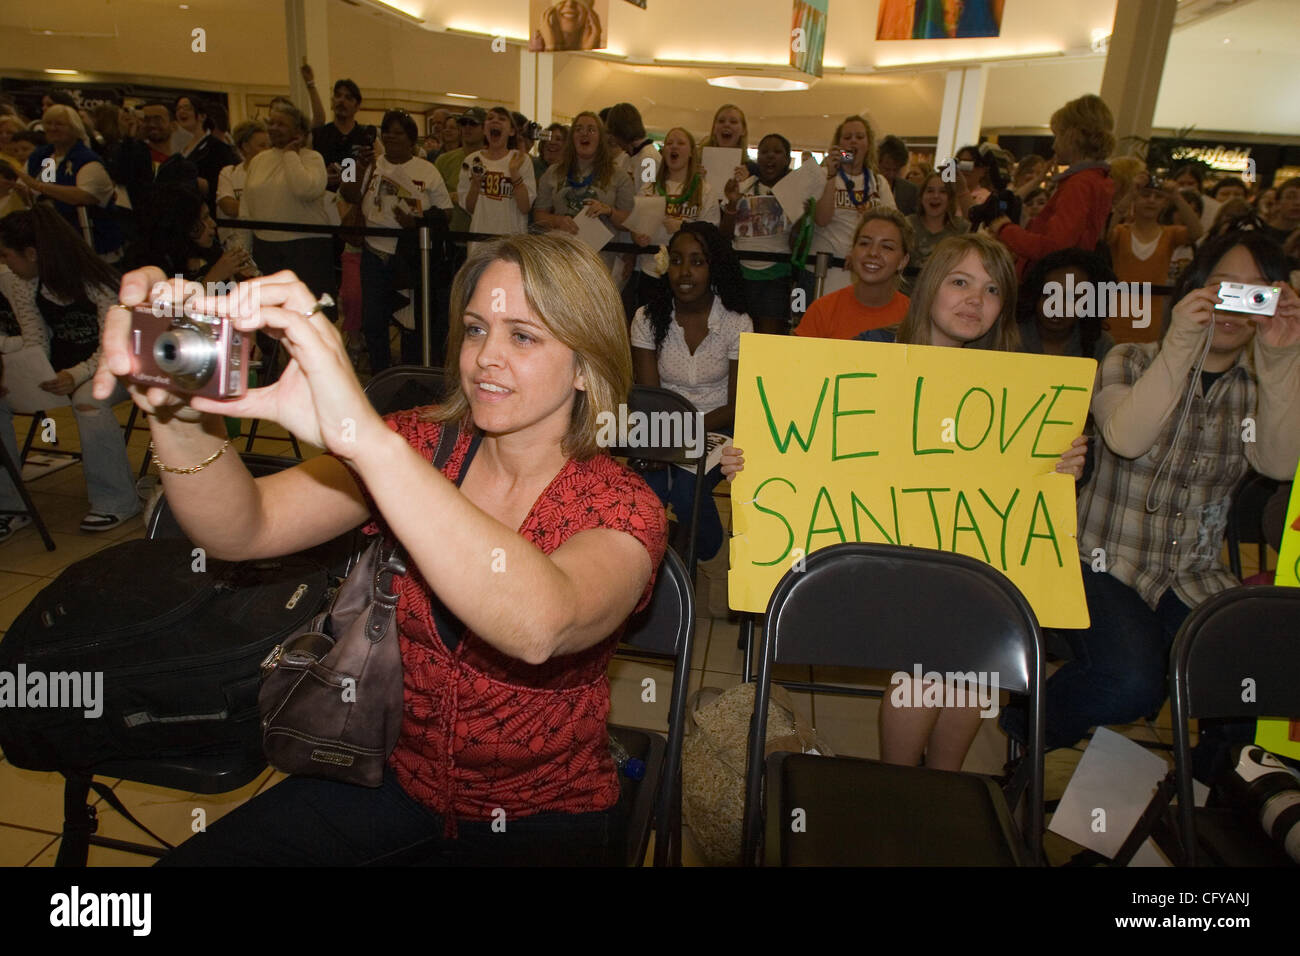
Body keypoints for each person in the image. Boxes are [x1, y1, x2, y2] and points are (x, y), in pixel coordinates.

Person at [92, 231, 667, 865]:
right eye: (475, 330)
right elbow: (244, 527)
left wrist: (365, 440)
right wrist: (175, 409)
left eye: (522, 336)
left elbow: (540, 625)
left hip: (544, 813)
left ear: (586, 366)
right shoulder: (422, 444)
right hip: (389, 778)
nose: (484, 359)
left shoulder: (622, 504)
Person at [724, 233, 1087, 770]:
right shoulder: (872, 352)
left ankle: (941, 789)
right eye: (959, 282)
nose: (974, 299)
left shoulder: (1019, 381)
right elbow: (809, 436)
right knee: (930, 664)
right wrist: (751, 459)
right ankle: (898, 785)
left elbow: (1016, 486)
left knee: (974, 671)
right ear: (929, 287)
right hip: (881, 561)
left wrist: (1059, 467)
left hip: (968, 564)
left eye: (991, 289)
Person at [999, 231, 1300, 776]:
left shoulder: (1261, 382)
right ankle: (1029, 723)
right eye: (1223, 287)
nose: (1234, 305)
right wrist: (1184, 345)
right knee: (1132, 681)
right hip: (1101, 560)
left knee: (1248, 673)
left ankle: (1207, 792)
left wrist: (1281, 360)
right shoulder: (1129, 359)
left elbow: (1278, 465)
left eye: (1256, 293)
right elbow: (1126, 438)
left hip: (1195, 573)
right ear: (1193, 289)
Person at [631, 222, 750, 615]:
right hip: (661, 424)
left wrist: (687, 432)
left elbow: (737, 403)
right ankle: (654, 584)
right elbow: (649, 396)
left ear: (713, 268)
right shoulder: (648, 318)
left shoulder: (736, 322)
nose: (685, 272)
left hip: (721, 424)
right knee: (647, 490)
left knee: (685, 489)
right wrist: (669, 437)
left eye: (697, 262)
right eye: (677, 261)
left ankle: (714, 566)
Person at [0, 205, 139, 538]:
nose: (4, 263)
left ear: (32, 253)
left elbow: (112, 344)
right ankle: (11, 505)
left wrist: (75, 375)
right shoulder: (23, 283)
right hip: (65, 368)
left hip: (120, 364)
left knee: (88, 400)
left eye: (6, 255)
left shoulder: (97, 280)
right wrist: (20, 374)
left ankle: (117, 501)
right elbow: (35, 339)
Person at [342, 109, 453, 373]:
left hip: (409, 256)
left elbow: (446, 212)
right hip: (372, 252)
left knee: (410, 322)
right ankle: (381, 374)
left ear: (411, 138)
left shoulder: (427, 169)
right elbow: (347, 193)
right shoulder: (368, 163)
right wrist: (358, 166)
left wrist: (417, 221)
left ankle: (407, 375)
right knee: (373, 321)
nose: (391, 137)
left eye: (398, 133)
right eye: (387, 132)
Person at [992, 94, 1116, 280]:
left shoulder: (1079, 184)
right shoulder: (1098, 180)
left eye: (1057, 136)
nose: (1054, 145)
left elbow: (1055, 247)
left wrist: (1004, 229)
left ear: (1072, 136)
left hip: (1053, 281)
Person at [237, 101, 333, 303]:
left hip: (306, 249)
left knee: (307, 311)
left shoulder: (312, 158)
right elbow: (246, 207)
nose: (273, 128)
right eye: (271, 123)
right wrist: (243, 251)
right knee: (270, 311)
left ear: (298, 130)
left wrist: (291, 154)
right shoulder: (259, 160)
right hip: (266, 248)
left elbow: (305, 190)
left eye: (281, 124)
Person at [804, 114, 896, 300]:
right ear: (838, 144)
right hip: (824, 268)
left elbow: (894, 226)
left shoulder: (879, 183)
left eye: (860, 137)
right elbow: (822, 219)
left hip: (861, 269)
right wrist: (830, 175)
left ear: (868, 145)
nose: (853, 142)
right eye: (847, 138)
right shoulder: (822, 175)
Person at [627, 127, 718, 313]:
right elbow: (634, 227)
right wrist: (637, 236)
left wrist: (684, 227)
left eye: (680, 143)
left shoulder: (705, 190)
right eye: (669, 143)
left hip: (688, 277)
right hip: (652, 272)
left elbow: (712, 233)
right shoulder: (649, 188)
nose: (673, 147)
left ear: (691, 152)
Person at [19, 105, 124, 261]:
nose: (52, 128)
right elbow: (32, 187)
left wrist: (38, 186)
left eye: (59, 124)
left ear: (75, 128)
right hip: (51, 242)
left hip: (92, 245)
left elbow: (84, 196)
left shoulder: (88, 161)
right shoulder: (44, 156)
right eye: (48, 123)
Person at [1107, 172, 1203, 343]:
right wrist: (1130, 193)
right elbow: (1105, 234)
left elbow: (1197, 232)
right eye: (1145, 195)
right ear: (1135, 200)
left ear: (1165, 203)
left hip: (1152, 313)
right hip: (1118, 310)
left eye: (1158, 197)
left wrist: (1176, 197)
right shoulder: (1121, 232)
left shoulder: (1170, 234)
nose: (1151, 200)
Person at [796, 208, 910, 340]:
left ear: (903, 261)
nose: (873, 252)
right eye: (864, 243)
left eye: (886, 247)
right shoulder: (823, 311)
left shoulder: (914, 318)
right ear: (852, 251)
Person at [723, 133, 798, 334]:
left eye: (777, 152)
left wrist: (801, 215)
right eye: (764, 152)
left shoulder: (795, 192)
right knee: (738, 339)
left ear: (787, 159)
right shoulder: (744, 186)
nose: (770, 157)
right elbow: (725, 235)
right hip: (742, 274)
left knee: (767, 341)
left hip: (776, 277)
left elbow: (797, 244)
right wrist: (731, 203)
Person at [532, 110, 631, 255]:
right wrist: (557, 221)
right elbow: (539, 217)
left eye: (591, 129)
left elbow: (629, 222)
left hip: (601, 259)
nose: (584, 133)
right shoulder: (553, 173)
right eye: (578, 129)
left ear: (601, 138)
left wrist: (609, 211)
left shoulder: (619, 175)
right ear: (572, 138)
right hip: (563, 255)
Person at [125, 182, 253, 284]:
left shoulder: (210, 250)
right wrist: (212, 279)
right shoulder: (149, 268)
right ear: (183, 226)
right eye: (204, 218)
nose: (213, 224)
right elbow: (164, 314)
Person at [458, 108, 536, 256]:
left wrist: (514, 172)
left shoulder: (521, 160)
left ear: (512, 131)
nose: (495, 121)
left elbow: (525, 207)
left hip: (512, 242)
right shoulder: (471, 161)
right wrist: (475, 184)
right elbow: (469, 208)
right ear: (484, 130)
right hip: (479, 242)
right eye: (490, 118)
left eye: (502, 119)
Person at [1016, 247, 1116, 362]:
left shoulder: (1101, 345)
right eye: (1049, 295)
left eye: (1071, 298)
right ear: (1035, 294)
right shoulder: (1009, 336)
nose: (1056, 307)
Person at [907, 171, 968, 279]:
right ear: (921, 197)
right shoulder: (906, 225)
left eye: (943, 192)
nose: (935, 196)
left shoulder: (963, 229)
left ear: (950, 199)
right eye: (930, 191)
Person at [436, 107, 486, 235]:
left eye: (473, 124)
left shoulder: (495, 160)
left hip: (484, 233)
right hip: (452, 234)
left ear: (485, 128)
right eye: (464, 123)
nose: (467, 128)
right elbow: (433, 196)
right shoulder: (444, 160)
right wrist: (451, 196)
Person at [216, 120, 270, 220]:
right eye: (262, 146)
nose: (268, 151)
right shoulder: (229, 173)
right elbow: (229, 208)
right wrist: (264, 209)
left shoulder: (273, 174)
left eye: (269, 146)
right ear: (246, 147)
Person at [529, 0, 604, 52]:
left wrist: (588, 50)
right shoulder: (536, 44)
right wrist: (550, 47)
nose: (570, 4)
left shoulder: (600, 45)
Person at [876, 135, 918, 215]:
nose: (891, 174)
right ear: (877, 163)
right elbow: (844, 155)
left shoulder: (911, 191)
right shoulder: (865, 183)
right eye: (886, 169)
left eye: (896, 170)